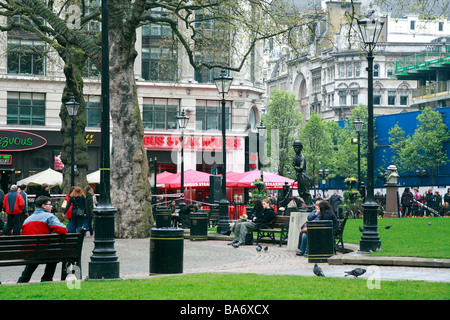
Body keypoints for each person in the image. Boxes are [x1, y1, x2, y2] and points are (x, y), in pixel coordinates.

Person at [17, 196, 68, 283]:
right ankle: (47, 278)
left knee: (35, 253)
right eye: (50, 204)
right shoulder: (49, 217)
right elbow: (63, 230)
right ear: (44, 206)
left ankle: (23, 279)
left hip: (28, 252)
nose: (51, 206)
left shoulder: (27, 220)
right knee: (53, 254)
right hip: (44, 251)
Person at [292, 140, 312, 205]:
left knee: (306, 192)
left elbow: (301, 168)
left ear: (300, 148)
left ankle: (310, 205)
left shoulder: (302, 157)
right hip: (299, 176)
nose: (295, 149)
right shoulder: (295, 157)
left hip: (303, 176)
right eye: (294, 147)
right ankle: (307, 204)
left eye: (297, 147)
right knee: (300, 193)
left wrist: (294, 166)